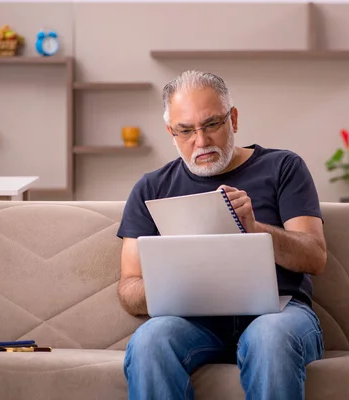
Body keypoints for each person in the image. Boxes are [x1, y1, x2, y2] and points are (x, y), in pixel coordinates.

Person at [116, 70, 327, 400]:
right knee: (149, 341)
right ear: (171, 132)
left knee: (269, 337)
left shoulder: (284, 167)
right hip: (193, 322)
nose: (201, 141)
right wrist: (170, 281)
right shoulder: (151, 188)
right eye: (186, 131)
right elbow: (129, 289)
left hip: (279, 314)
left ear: (234, 119)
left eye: (212, 124)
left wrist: (255, 230)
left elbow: (315, 256)